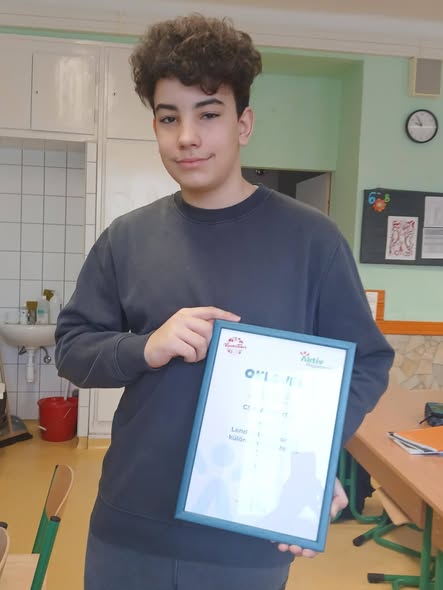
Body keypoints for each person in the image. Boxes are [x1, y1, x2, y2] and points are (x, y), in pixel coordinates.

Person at [55, 14, 394, 590]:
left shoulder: (312, 241)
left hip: (249, 535)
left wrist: (314, 457)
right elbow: (72, 349)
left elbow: (366, 361)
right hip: (130, 527)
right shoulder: (126, 238)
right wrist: (146, 348)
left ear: (243, 123)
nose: (186, 136)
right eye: (169, 117)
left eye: (208, 114)